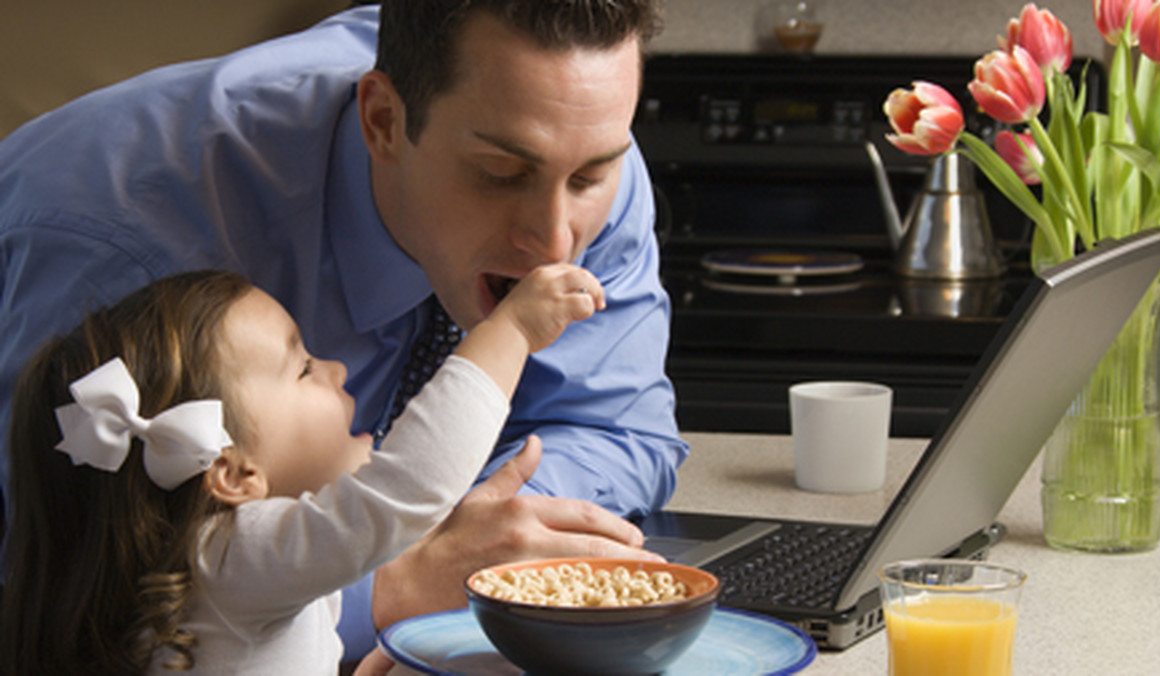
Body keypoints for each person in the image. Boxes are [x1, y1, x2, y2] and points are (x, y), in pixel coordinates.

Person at [0, 0, 685, 660]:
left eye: (593, 176)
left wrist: (484, 541)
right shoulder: (127, 246)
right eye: (499, 174)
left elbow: (615, 430)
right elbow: (72, 593)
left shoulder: (569, 127)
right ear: (383, 119)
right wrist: (394, 581)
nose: (556, 241)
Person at [0, 263, 607, 674]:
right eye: (303, 367)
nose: (337, 369)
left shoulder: (213, 563)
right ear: (234, 473)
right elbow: (408, 488)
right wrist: (511, 330)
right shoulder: (229, 555)